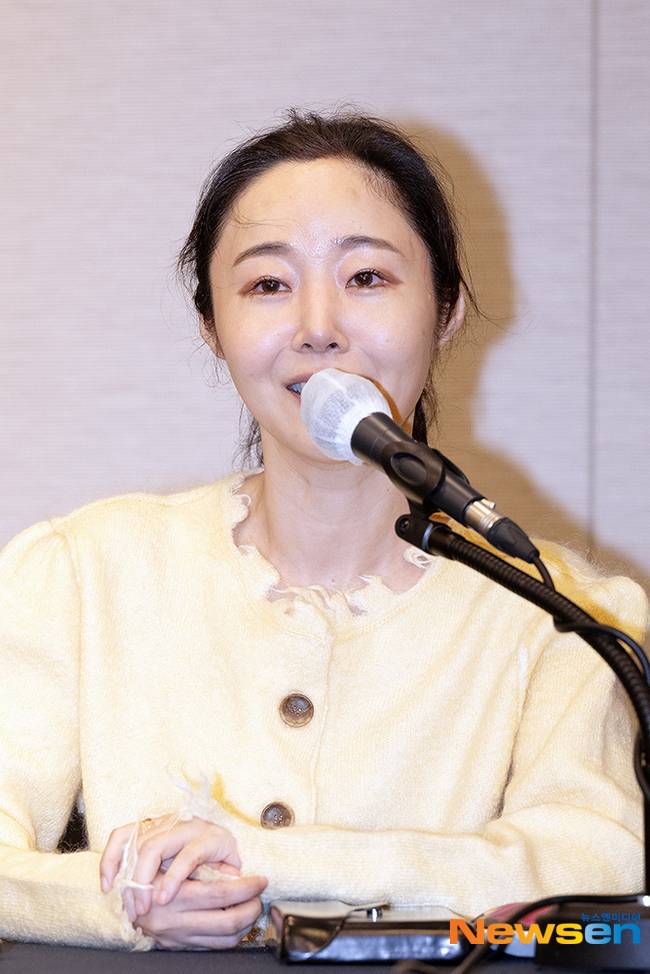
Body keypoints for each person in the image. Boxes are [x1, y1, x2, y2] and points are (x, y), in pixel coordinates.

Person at [0, 108, 647, 952]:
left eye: (367, 277)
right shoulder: (84, 572)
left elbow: (591, 860)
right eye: (268, 285)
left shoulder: (566, 615)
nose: (318, 326)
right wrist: (119, 897)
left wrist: (272, 862)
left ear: (446, 308)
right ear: (212, 327)